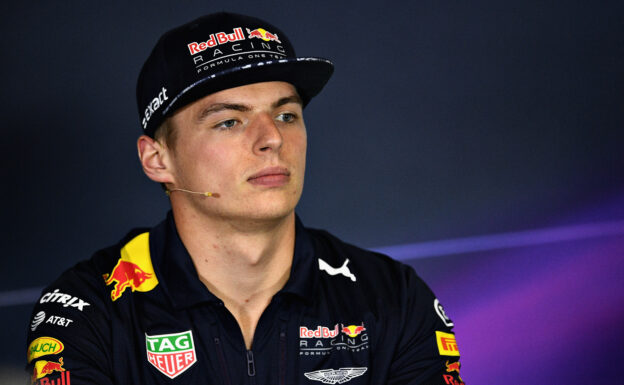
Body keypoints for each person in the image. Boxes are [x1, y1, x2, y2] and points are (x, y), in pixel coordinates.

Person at [25, 12, 465, 385]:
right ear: (158, 159)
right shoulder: (90, 307)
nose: (272, 138)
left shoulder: (391, 297)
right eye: (229, 122)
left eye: (286, 114)